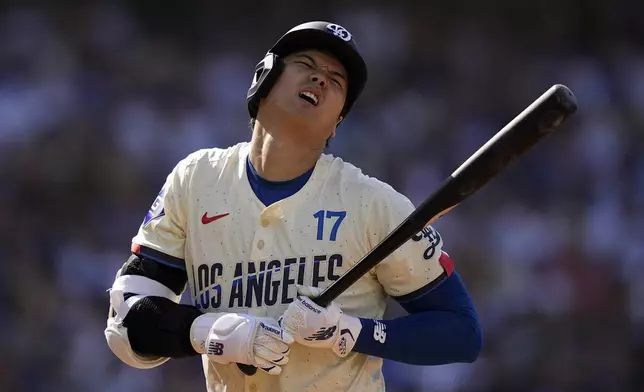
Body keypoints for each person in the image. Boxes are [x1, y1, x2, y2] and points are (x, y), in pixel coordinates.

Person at [104, 21, 482, 392]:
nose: (321, 79)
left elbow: (461, 331)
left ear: (337, 122)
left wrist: (349, 332)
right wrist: (215, 333)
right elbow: (126, 324)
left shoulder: (374, 204)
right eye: (307, 64)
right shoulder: (196, 180)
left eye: (336, 81)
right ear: (264, 79)